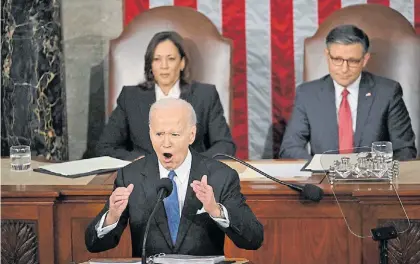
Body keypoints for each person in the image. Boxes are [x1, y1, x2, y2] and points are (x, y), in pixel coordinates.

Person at [85, 98, 264, 257]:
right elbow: (93, 244)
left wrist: (216, 210)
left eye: (174, 134)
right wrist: (112, 216)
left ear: (191, 135)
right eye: (159, 134)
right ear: (150, 133)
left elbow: (253, 239)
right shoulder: (130, 176)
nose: (166, 142)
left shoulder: (220, 176)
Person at [279, 25, 417, 160]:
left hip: (373, 180)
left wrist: (377, 173)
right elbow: (290, 148)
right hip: (324, 179)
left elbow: (405, 149)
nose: (344, 69)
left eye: (353, 61)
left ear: (365, 59)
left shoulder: (388, 92)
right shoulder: (307, 94)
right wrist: (320, 167)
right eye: (337, 59)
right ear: (327, 55)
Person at [96, 31, 235, 160]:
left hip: (193, 178)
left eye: (171, 59)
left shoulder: (205, 95)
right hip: (144, 177)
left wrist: (192, 163)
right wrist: (138, 161)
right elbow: (105, 147)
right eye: (157, 59)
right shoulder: (130, 97)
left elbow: (225, 146)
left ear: (182, 63)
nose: (164, 66)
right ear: (150, 65)